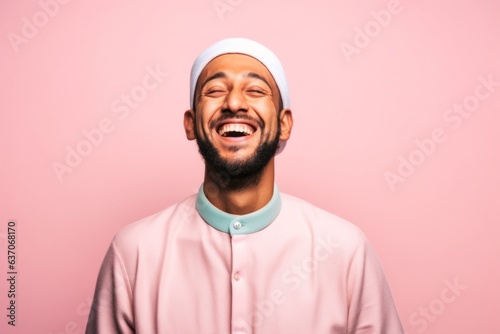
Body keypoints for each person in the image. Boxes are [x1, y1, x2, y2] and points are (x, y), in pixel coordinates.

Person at [86, 37, 404, 334]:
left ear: (284, 124)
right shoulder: (133, 253)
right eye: (214, 91)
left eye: (255, 90)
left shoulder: (345, 251)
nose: (234, 102)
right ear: (190, 122)